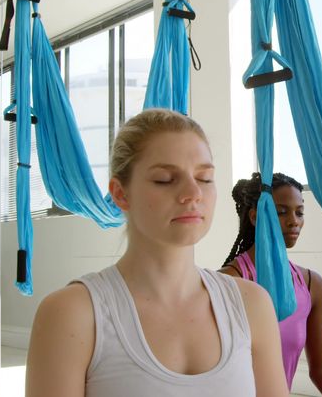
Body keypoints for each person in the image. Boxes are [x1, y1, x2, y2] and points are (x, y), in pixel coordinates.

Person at [25, 109, 288, 397]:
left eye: (204, 178)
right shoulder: (72, 314)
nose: (193, 193)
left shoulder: (252, 305)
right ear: (121, 194)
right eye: (165, 179)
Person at [220, 173, 322, 395]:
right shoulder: (229, 282)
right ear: (254, 216)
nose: (294, 221)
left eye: (299, 212)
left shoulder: (311, 284)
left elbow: (321, 370)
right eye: (281, 212)